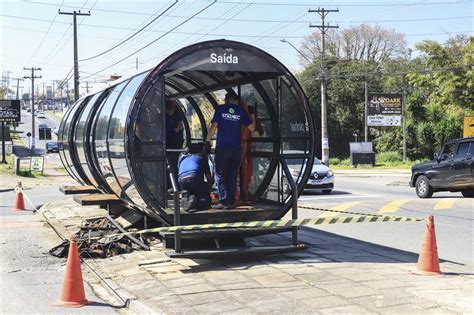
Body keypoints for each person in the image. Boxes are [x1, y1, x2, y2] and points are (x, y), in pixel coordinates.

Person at [205, 91, 255, 209]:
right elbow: (252, 128)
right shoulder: (241, 111)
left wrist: (207, 140)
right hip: (236, 149)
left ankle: (224, 201)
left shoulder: (221, 109)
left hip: (223, 148)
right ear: (236, 101)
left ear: (227, 99)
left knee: (221, 175)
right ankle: (232, 201)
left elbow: (214, 126)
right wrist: (252, 114)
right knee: (232, 174)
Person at [177, 143, 213, 210]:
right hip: (193, 177)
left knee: (192, 189)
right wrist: (209, 188)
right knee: (205, 198)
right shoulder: (202, 157)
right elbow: (209, 179)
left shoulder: (182, 158)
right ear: (201, 150)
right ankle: (196, 202)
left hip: (181, 179)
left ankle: (187, 198)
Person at [165, 99, 184, 186]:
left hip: (175, 141)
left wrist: (174, 131)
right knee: (169, 163)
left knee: (173, 163)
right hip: (168, 141)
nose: (170, 112)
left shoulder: (177, 112)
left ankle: (174, 184)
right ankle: (170, 183)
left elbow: (180, 126)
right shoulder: (164, 114)